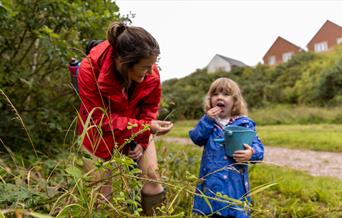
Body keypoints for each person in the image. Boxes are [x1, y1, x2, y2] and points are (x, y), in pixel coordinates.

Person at [77, 21, 173, 215]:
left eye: (153, 65)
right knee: (102, 195)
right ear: (124, 63)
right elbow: (99, 119)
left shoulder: (151, 71)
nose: (151, 73)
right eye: (145, 67)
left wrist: (140, 140)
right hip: (97, 133)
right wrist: (144, 128)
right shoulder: (89, 68)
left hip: (139, 125)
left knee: (153, 181)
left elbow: (149, 109)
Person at [189, 78, 264, 218]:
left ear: (235, 101)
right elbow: (196, 138)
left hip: (234, 183)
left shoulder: (244, 124)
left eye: (225, 94)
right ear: (210, 99)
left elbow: (259, 149)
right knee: (212, 210)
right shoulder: (210, 123)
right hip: (211, 181)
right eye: (215, 94)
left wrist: (251, 153)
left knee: (234, 210)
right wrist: (207, 120)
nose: (219, 97)